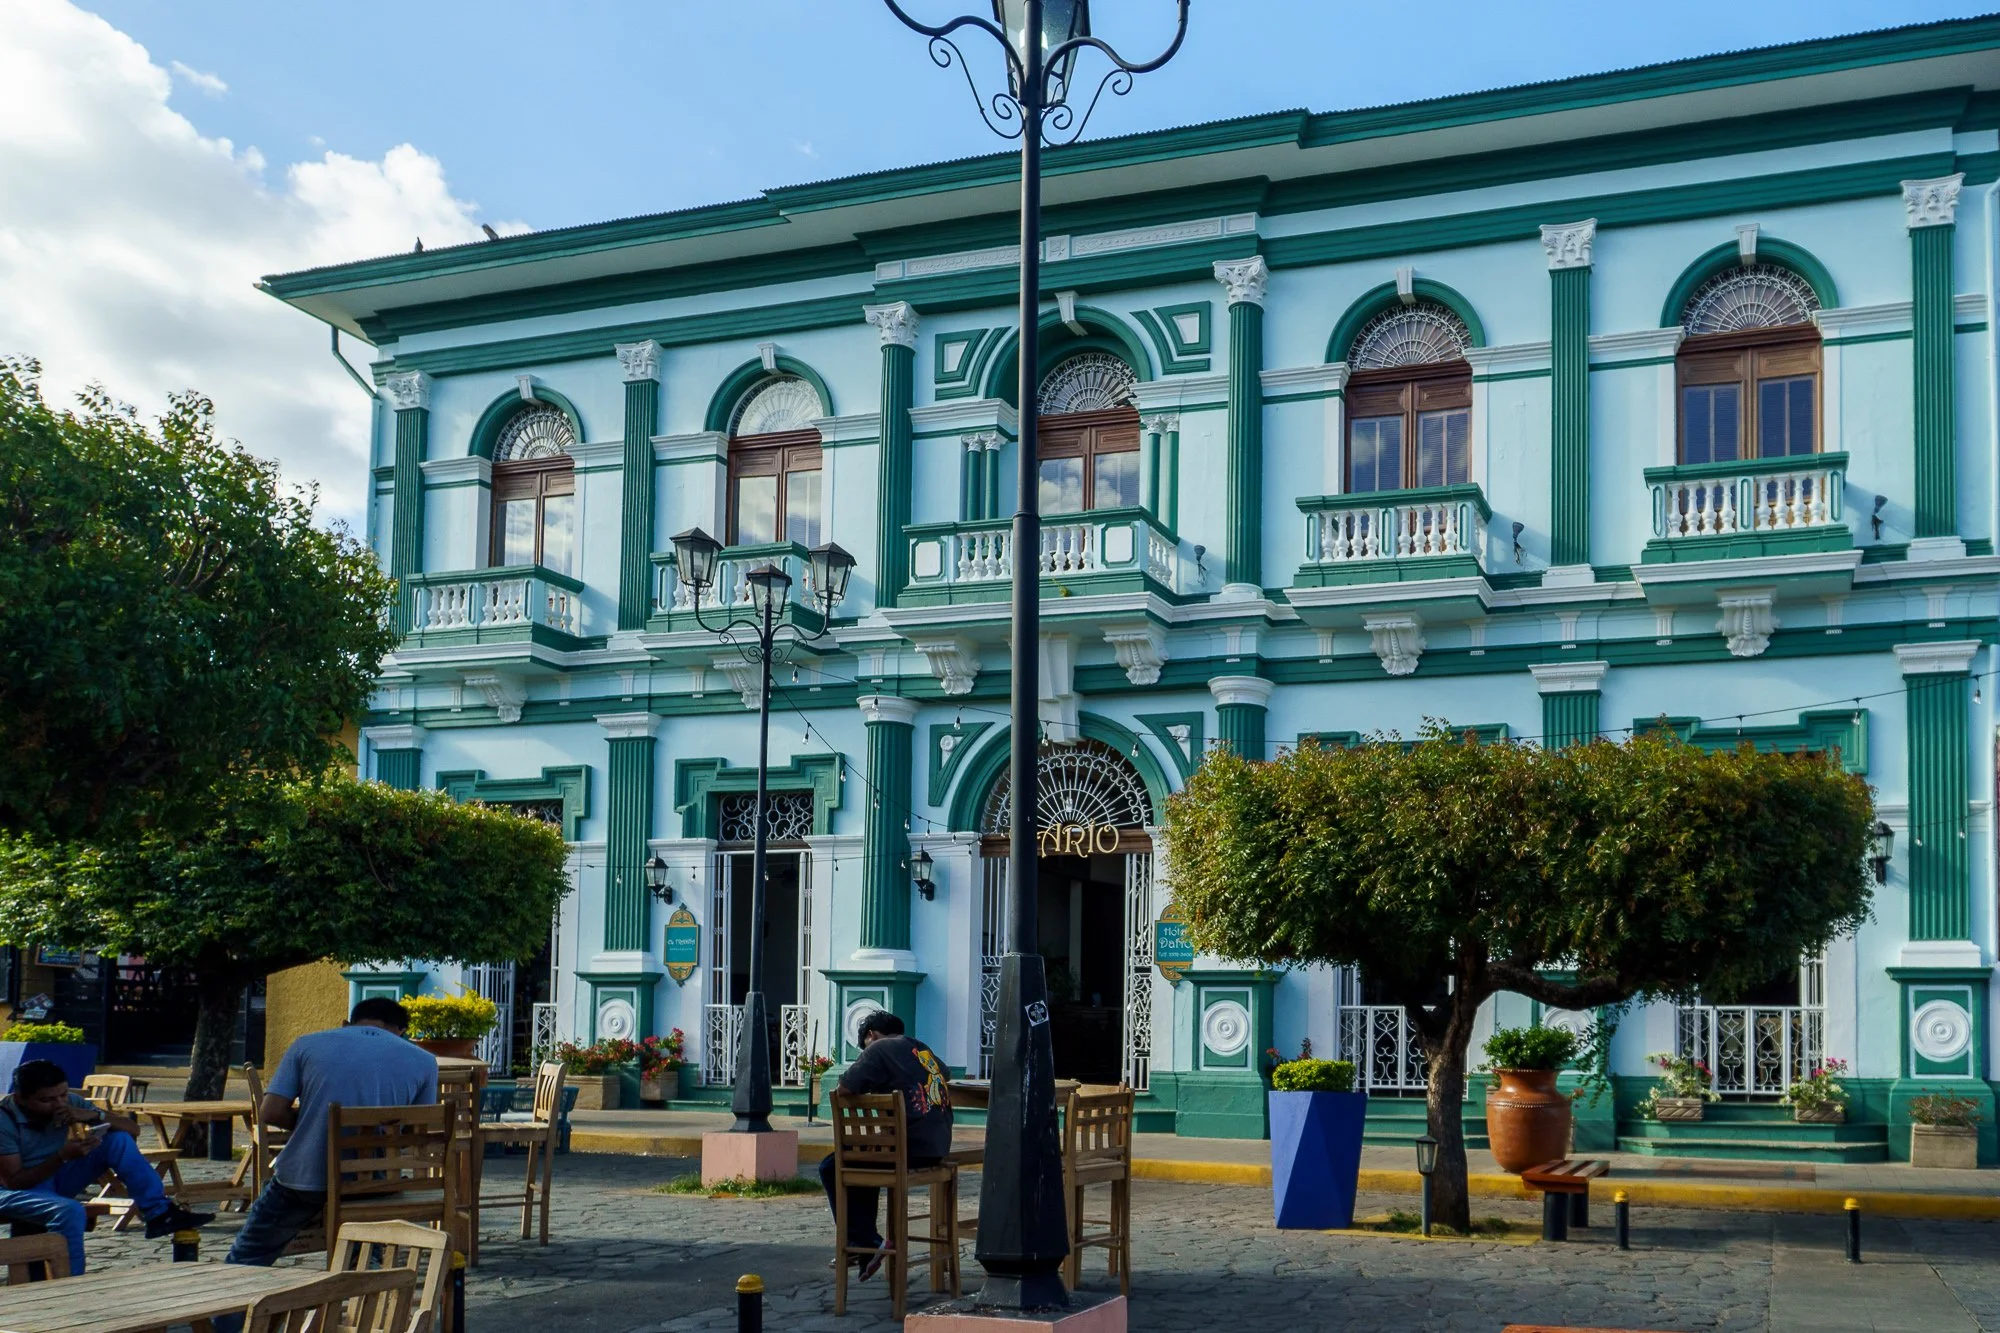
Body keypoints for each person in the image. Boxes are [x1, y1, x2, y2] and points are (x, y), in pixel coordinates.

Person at [224, 996, 439, 1267]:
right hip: (373, 1184)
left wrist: (315, 1125)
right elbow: (416, 1131)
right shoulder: (424, 1060)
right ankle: (361, 1271)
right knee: (363, 1226)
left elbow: (271, 1112)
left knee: (248, 1254)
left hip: (306, 1177)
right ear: (402, 1031)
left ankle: (233, 1304)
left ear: (346, 1023)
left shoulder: (307, 1044)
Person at [0, 1059, 213, 1274]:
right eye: (47, 1100)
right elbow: (15, 1182)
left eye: (63, 1095)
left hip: (55, 1175)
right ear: (21, 1099)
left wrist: (95, 1115)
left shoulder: (71, 1104)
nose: (59, 1105)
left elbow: (133, 1130)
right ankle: (68, 1282)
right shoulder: (4, 1119)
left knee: (118, 1139)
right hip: (15, 1190)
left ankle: (158, 1212)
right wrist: (62, 1157)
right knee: (70, 1211)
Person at [819, 1010, 953, 1280]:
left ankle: (866, 1240)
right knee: (864, 1160)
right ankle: (864, 1244)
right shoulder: (921, 1047)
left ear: (871, 1035)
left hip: (906, 1150)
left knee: (831, 1166)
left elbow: (844, 1089)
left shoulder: (878, 1048)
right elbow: (946, 1074)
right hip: (937, 1150)